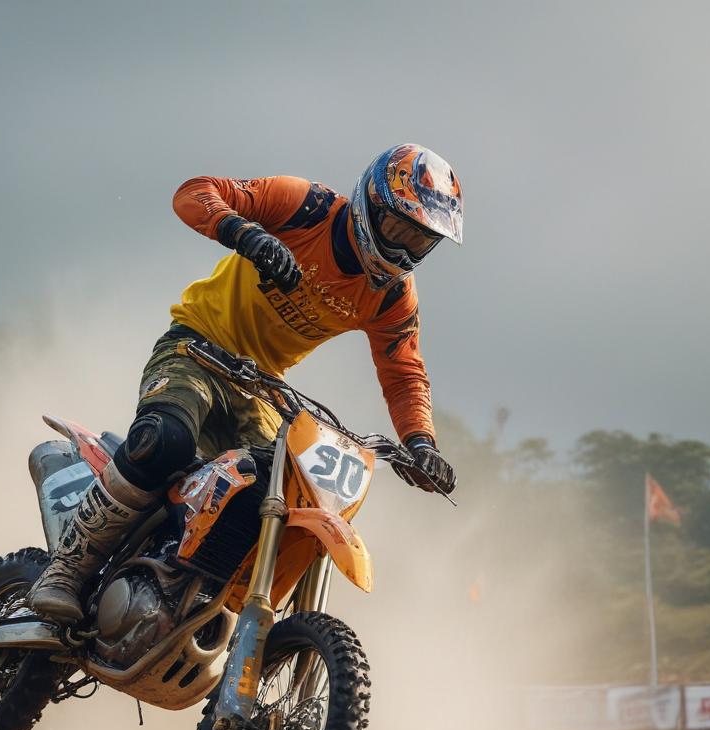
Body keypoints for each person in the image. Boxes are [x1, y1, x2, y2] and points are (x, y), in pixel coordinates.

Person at [29, 144, 464, 622]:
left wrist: (421, 443)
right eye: (397, 227)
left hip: (261, 388)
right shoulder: (306, 206)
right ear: (370, 203)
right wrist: (246, 234)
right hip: (196, 347)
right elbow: (194, 193)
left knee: (281, 496)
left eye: (419, 241)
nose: (402, 248)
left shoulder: (393, 296)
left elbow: (403, 370)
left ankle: (188, 589)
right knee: (165, 441)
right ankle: (66, 571)